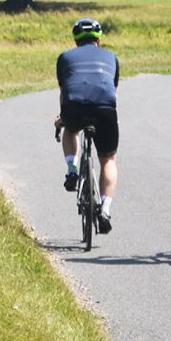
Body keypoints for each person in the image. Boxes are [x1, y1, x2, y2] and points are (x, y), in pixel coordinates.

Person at [55, 17, 120, 233]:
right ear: (99, 39)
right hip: (105, 109)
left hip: (74, 106)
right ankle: (105, 209)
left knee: (70, 130)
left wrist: (62, 118)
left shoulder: (65, 57)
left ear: (76, 40)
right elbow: (111, 90)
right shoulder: (112, 57)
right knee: (108, 159)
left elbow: (65, 91)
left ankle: (72, 169)